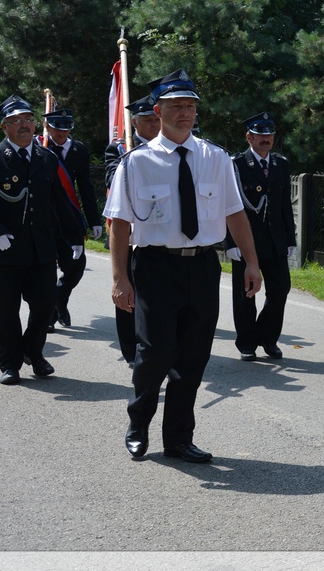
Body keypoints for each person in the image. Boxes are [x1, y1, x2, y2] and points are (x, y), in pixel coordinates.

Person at [105, 70, 262, 463]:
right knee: (155, 353)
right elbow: (119, 224)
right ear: (158, 111)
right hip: (155, 267)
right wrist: (120, 279)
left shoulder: (216, 157)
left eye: (190, 106)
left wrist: (251, 263)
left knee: (193, 358)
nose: (186, 113)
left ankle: (177, 438)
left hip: (203, 266)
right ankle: (138, 422)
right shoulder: (136, 163)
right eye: (176, 106)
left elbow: (234, 212)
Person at [0, 95, 84, 384]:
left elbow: (60, 201)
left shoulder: (46, 158)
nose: (24, 125)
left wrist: (74, 235)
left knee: (45, 305)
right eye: (16, 121)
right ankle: (10, 363)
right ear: (4, 127)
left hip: (40, 249)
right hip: (3, 250)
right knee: (4, 311)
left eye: (28, 119)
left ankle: (33, 351)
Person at [226, 111, 296, 361]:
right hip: (247, 241)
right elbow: (229, 206)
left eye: (269, 135)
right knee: (245, 294)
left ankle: (267, 338)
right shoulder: (236, 164)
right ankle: (247, 343)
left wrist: (290, 239)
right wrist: (231, 242)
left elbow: (284, 204)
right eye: (260, 135)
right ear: (249, 137)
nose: (266, 139)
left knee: (280, 289)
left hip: (275, 240)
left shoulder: (281, 164)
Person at [103, 95, 161, 366]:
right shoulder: (119, 149)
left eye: (156, 119)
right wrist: (132, 163)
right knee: (128, 292)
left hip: (157, 230)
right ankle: (131, 350)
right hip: (129, 231)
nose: (154, 124)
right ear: (134, 123)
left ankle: (156, 345)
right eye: (147, 120)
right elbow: (111, 178)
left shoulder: (168, 148)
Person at [41, 107, 103, 329]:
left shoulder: (79, 150)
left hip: (69, 217)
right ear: (47, 127)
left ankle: (60, 299)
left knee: (76, 266)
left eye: (66, 129)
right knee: (46, 268)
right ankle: (49, 316)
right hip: (44, 217)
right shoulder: (39, 148)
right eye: (57, 129)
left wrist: (94, 220)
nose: (62, 133)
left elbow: (85, 187)